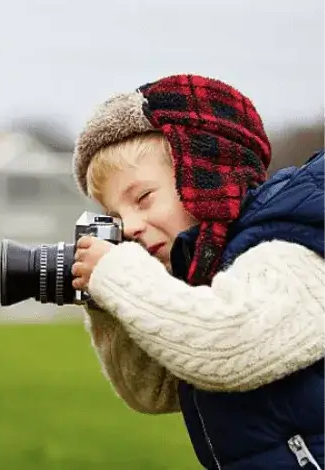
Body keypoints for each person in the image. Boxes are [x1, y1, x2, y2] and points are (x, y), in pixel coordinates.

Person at [69, 73, 325, 469]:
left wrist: (121, 275)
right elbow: (153, 391)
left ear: (206, 172)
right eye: (116, 216)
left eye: (143, 197)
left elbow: (228, 344)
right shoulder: (211, 272)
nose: (130, 227)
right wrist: (108, 302)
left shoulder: (289, 247)